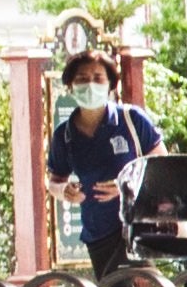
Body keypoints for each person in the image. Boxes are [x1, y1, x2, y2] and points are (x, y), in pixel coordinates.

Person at [41, 58, 161, 270]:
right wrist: (64, 191)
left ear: (110, 85)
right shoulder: (65, 135)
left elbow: (162, 163)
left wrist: (126, 184)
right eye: (82, 79)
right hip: (100, 233)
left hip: (140, 225)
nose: (90, 85)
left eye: (98, 78)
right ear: (70, 86)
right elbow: (54, 181)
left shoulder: (131, 119)